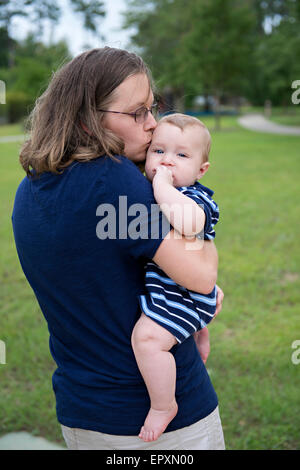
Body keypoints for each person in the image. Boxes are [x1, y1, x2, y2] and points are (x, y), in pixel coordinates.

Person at [12, 47, 225, 450]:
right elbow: (202, 276)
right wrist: (205, 231)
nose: (153, 125)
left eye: (153, 108)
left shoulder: (29, 189)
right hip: (157, 426)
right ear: (88, 121)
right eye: (138, 113)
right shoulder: (113, 182)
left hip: (83, 414)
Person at [132, 113, 220, 442]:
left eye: (181, 155)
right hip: (172, 291)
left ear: (201, 170)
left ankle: (162, 405)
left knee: (148, 340)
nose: (167, 161)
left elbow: (190, 223)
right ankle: (199, 333)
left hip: (183, 296)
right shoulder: (151, 189)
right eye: (158, 151)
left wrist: (160, 184)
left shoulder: (198, 198)